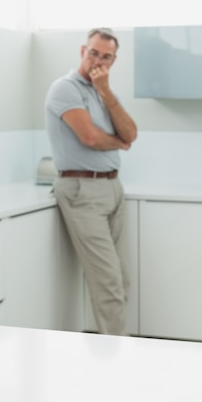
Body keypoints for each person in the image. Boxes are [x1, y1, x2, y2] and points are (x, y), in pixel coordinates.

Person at [45, 27, 137, 335]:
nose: (98, 60)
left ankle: (110, 349)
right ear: (83, 51)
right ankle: (117, 358)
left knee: (120, 278)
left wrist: (106, 92)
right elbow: (89, 137)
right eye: (93, 52)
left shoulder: (105, 92)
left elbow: (131, 133)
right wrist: (119, 142)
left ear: (113, 60)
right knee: (108, 281)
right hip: (82, 190)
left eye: (106, 56)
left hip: (112, 188)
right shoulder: (65, 88)